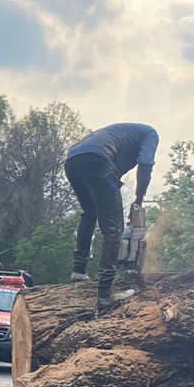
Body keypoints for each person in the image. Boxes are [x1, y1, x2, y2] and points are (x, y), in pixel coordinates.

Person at [63, 122, 158, 307]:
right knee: (114, 229)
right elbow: (146, 163)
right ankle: (105, 295)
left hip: (73, 161)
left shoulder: (122, 134)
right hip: (98, 160)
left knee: (90, 213)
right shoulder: (150, 134)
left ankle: (79, 271)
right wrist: (139, 199)